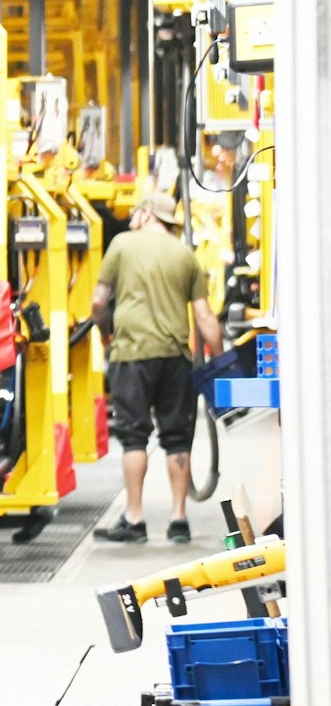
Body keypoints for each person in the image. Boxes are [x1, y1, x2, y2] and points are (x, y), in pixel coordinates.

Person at [91, 192, 223, 545]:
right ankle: (179, 519)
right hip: (175, 357)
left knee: (133, 435)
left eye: (135, 211)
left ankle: (134, 519)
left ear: (148, 214)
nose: (132, 217)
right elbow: (206, 317)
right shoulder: (185, 254)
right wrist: (222, 363)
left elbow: (97, 301)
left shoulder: (122, 244)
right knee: (177, 436)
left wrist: (106, 334)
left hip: (132, 354)